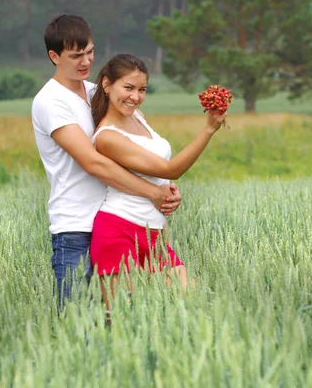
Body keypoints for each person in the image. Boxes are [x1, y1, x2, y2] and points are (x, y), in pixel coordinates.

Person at [31, 15, 181, 306]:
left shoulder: (96, 91)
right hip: (76, 229)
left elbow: (141, 144)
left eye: (90, 52)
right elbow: (93, 163)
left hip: (119, 223)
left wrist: (167, 186)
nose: (86, 61)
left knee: (125, 324)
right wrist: (153, 193)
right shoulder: (50, 101)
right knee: (80, 327)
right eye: (76, 56)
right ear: (54, 56)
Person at [89, 53, 227, 306]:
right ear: (107, 85)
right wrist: (208, 129)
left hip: (155, 234)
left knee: (194, 305)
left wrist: (167, 190)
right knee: (122, 322)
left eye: (142, 89)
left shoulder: (137, 118)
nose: (135, 97)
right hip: (119, 231)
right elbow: (170, 168)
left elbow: (155, 173)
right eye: (128, 88)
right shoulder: (107, 136)